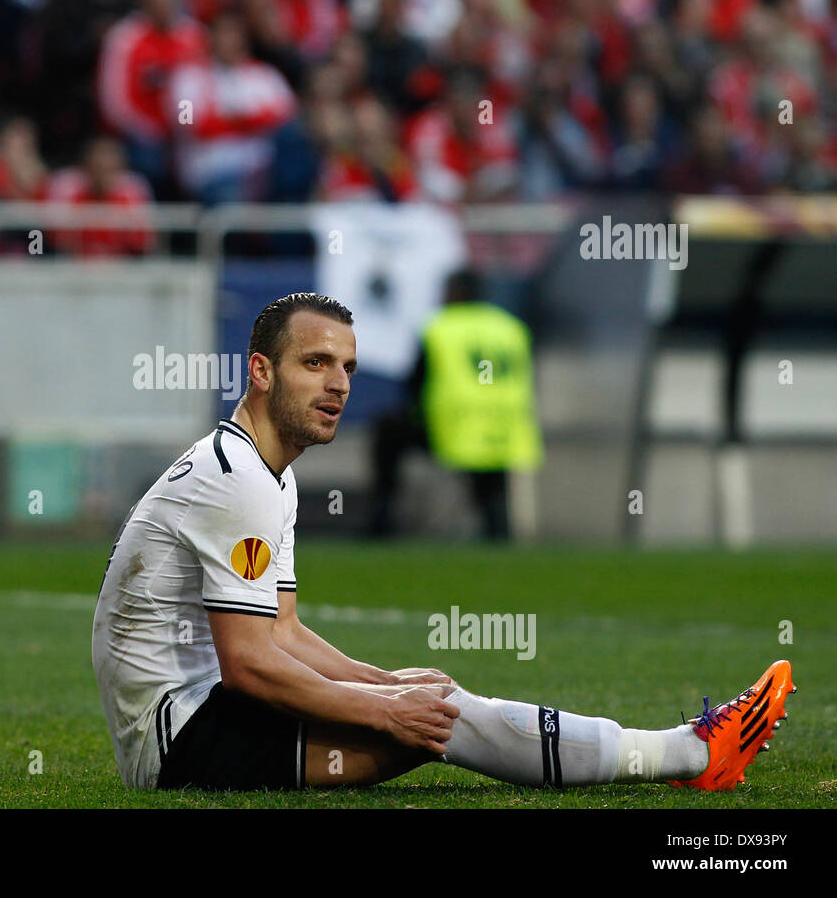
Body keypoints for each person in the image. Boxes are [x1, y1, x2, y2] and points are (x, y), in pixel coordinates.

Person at [91, 292, 793, 792]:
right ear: (261, 371)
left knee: (427, 701)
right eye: (315, 363)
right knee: (433, 722)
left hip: (194, 716)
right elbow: (249, 666)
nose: (337, 384)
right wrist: (384, 709)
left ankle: (681, 752)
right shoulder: (237, 479)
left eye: (348, 367)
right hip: (182, 740)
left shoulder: (265, 470)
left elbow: (284, 631)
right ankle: (689, 752)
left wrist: (383, 683)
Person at [370, 269, 539, 540]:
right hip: (505, 427)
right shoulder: (511, 328)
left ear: (455, 293)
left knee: (388, 430)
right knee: (492, 489)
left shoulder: (441, 327)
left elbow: (415, 384)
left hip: (456, 424)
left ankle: (382, 520)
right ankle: (498, 532)